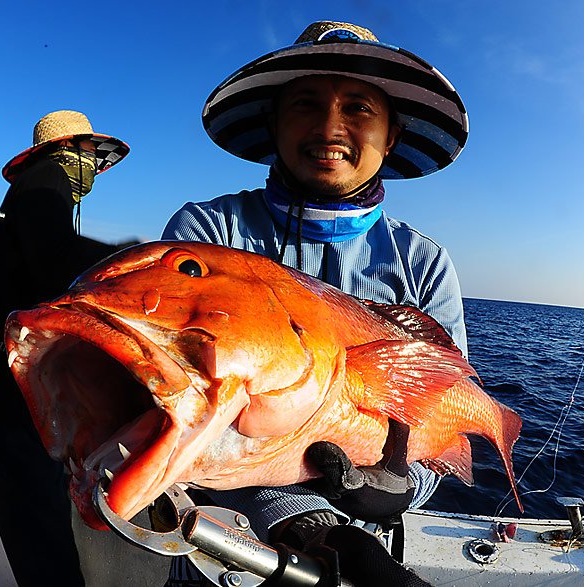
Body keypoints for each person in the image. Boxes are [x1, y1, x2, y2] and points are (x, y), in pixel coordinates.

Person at [162, 21, 470, 585]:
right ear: (274, 124)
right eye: (305, 103)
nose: (330, 126)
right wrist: (300, 520)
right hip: (212, 557)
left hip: (357, 556)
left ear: (392, 135)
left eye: (358, 108)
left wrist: (404, 485)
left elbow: (445, 428)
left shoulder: (425, 265)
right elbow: (177, 412)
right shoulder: (205, 239)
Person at [0, 110, 134, 585]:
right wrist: (137, 260)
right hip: (10, 395)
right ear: (72, 150)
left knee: (34, 527)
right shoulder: (48, 176)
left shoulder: (35, 190)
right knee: (40, 536)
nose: (95, 168)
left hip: (9, 386)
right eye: (92, 156)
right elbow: (56, 258)